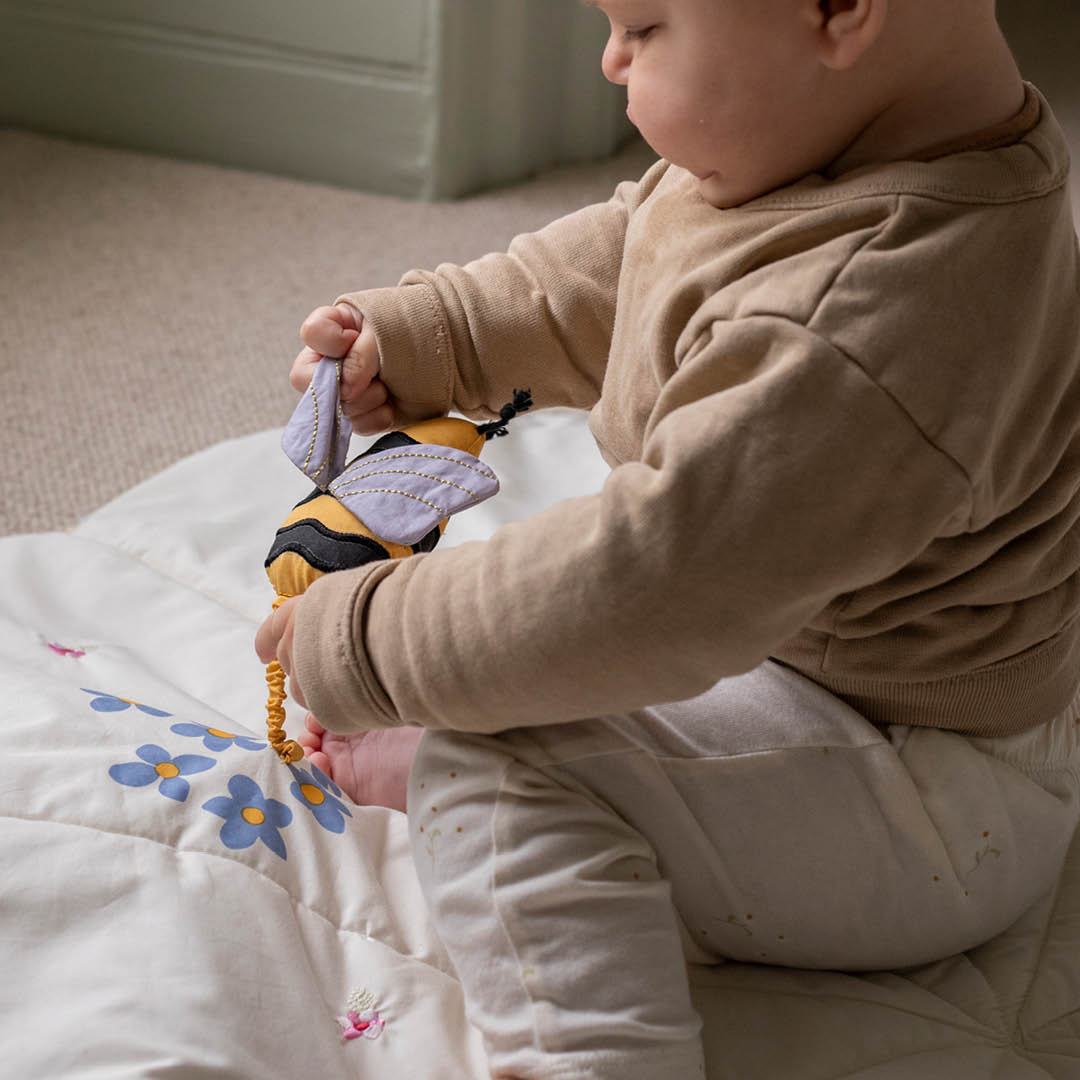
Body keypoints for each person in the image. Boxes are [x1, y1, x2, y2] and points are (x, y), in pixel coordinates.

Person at [255, 0, 1080, 1075]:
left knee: (492, 775)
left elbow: (642, 586)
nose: (610, 60)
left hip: (924, 795)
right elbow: (633, 259)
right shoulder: (855, 151)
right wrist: (434, 334)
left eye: (644, 26)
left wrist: (367, 645)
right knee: (522, 658)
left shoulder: (863, 319)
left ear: (838, 12)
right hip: (817, 666)